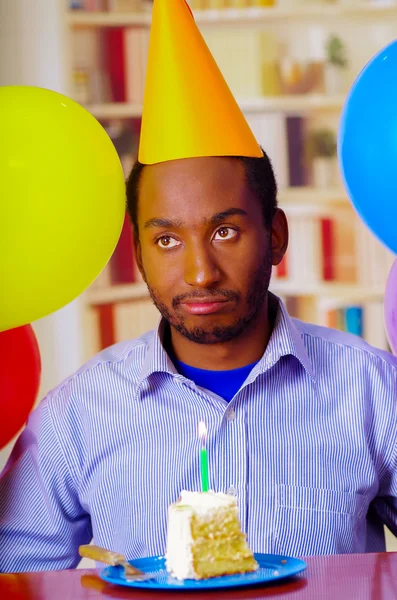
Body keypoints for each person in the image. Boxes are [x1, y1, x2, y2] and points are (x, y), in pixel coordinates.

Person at [1, 0, 397, 573]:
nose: (200, 272)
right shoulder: (75, 417)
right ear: (136, 252)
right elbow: (20, 579)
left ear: (276, 236)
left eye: (226, 231)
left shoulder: (373, 391)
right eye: (166, 241)